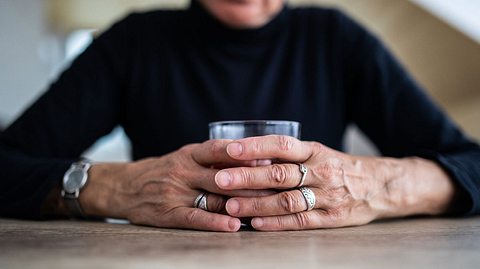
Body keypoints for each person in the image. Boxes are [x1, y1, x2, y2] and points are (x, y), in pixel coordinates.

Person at [0, 0, 479, 232]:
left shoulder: (336, 40)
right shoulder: (133, 44)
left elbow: (472, 165)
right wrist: (116, 187)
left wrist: (375, 185)